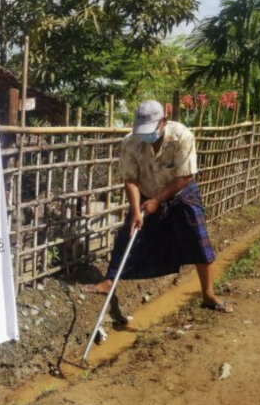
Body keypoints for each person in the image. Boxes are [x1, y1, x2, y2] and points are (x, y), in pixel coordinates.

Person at [82, 100, 232, 314]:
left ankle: (208, 294)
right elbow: (130, 179)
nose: (145, 135)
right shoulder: (130, 143)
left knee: (199, 240)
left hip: (181, 192)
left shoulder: (182, 137)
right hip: (146, 192)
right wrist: (136, 210)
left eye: (150, 130)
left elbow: (185, 176)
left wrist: (157, 201)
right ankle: (109, 282)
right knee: (128, 235)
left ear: (163, 121)